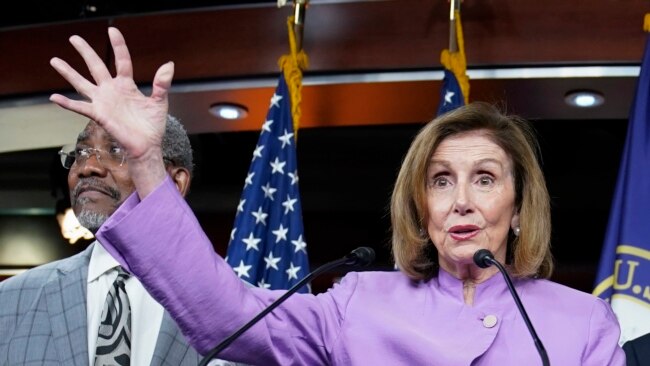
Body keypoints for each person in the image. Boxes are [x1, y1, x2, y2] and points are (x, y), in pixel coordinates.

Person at [48, 27, 626, 365]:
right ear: (421, 208)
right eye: (441, 180)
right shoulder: (358, 303)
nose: (462, 202)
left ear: (520, 208)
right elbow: (224, 313)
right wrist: (147, 162)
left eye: (486, 179)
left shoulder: (584, 324)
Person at [0, 107, 238, 363]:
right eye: (80, 153)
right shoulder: (10, 302)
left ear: (175, 182)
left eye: (116, 150)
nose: (87, 167)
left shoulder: (234, 310)